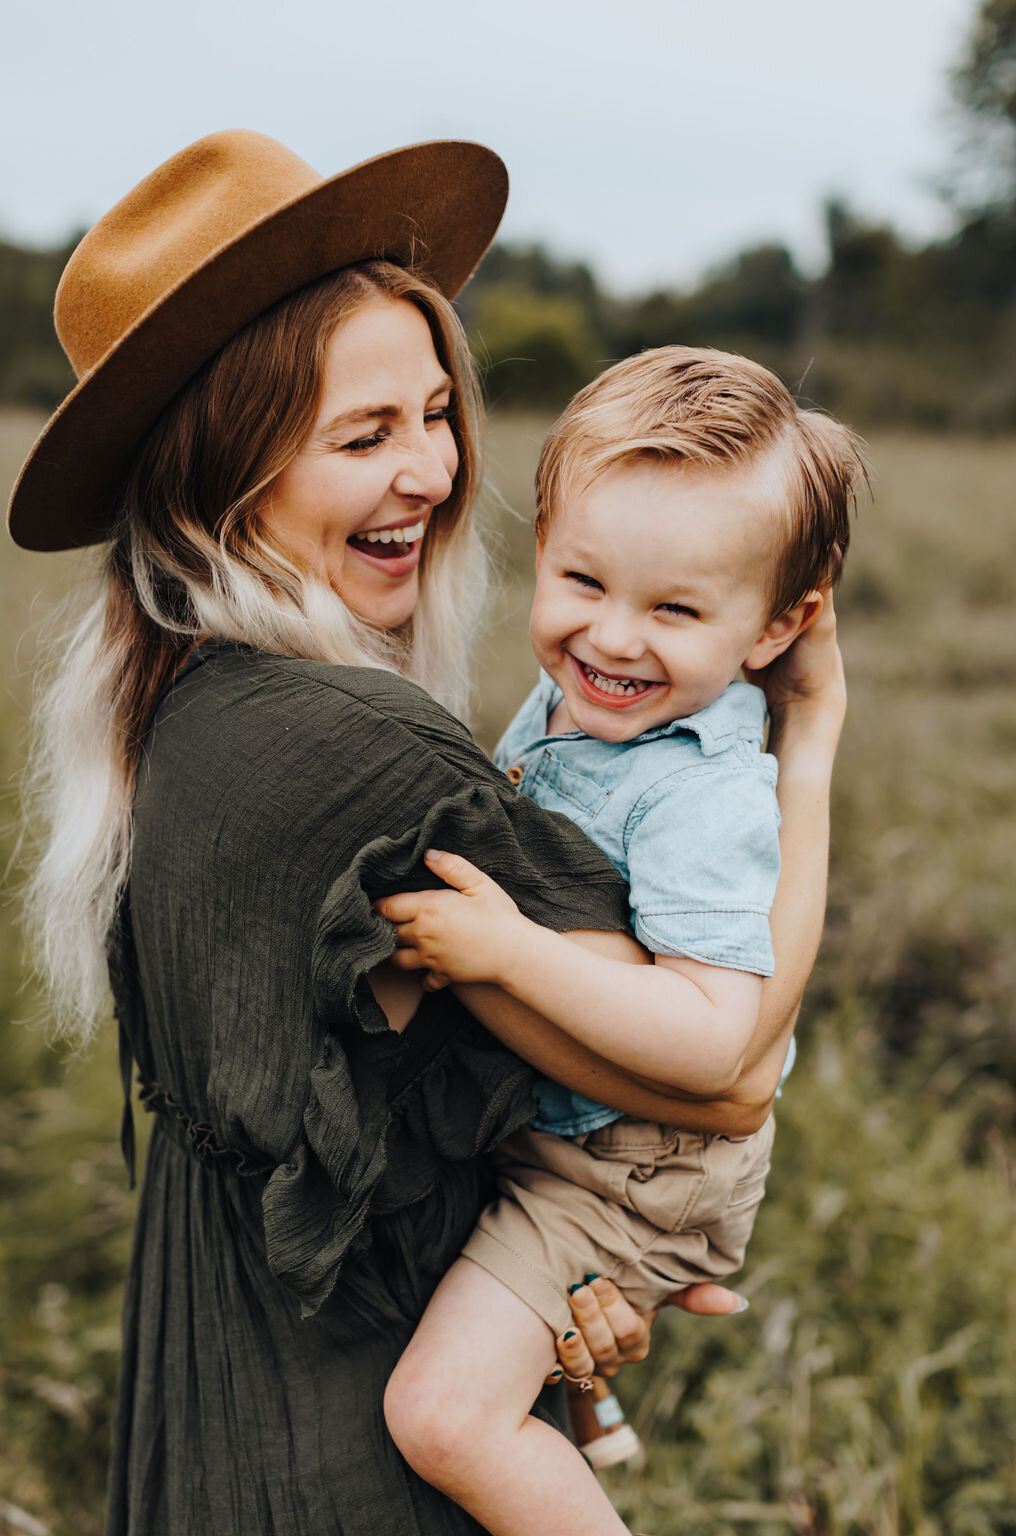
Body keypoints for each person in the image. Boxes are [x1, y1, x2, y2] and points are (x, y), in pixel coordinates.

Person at [7, 130, 847, 1536]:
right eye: (364, 436)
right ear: (228, 471)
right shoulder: (370, 755)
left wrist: (564, 1279)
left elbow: (420, 1115)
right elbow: (730, 1080)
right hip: (344, 1447)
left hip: (215, 1398)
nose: (435, 472)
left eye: (435, 413)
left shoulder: (185, 709)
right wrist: (808, 751)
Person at [378, 347, 866, 1536]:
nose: (612, 638)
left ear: (779, 626)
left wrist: (503, 954)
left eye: (675, 610)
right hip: (573, 1125)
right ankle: (581, 1399)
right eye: (582, 580)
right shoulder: (572, 709)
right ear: (540, 543)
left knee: (442, 1415)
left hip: (632, 1164)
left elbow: (712, 1044)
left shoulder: (700, 791)